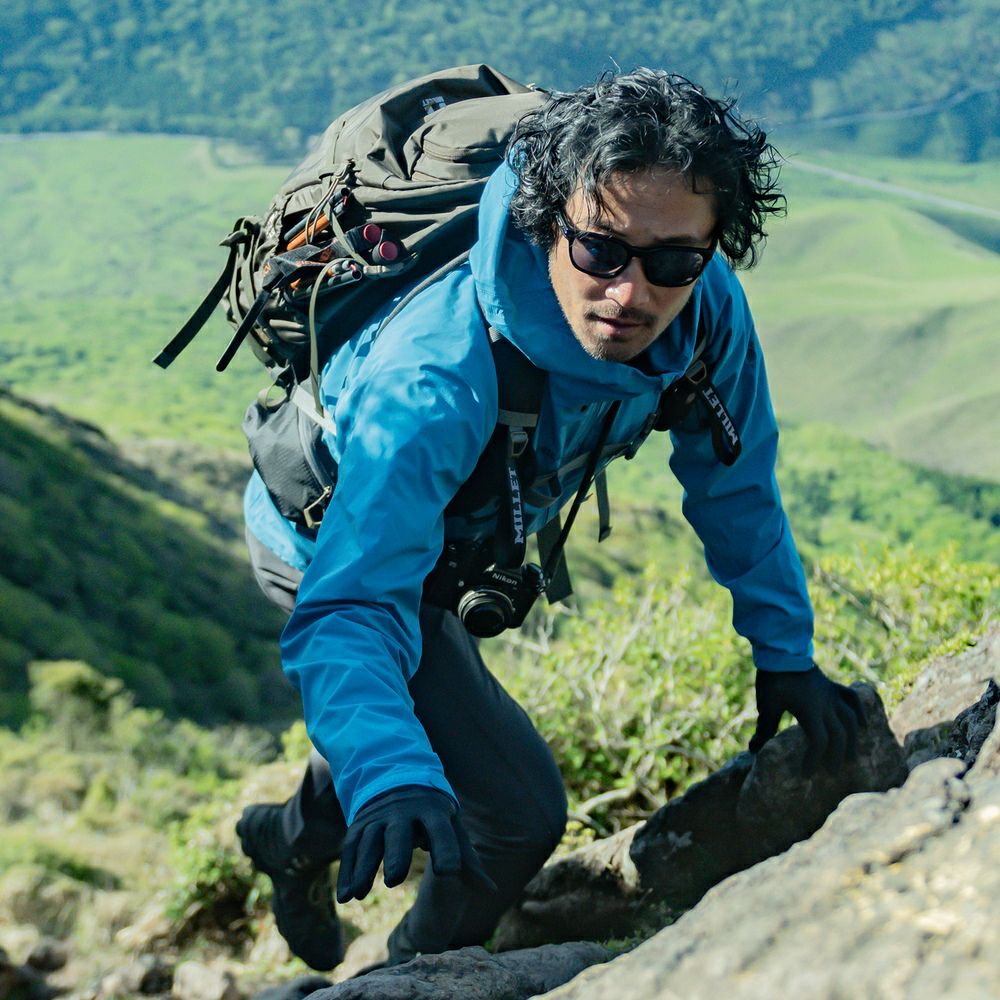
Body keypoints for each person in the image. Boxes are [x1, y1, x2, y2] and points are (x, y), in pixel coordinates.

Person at [236, 67, 864, 971]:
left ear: (709, 247)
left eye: (672, 260)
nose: (632, 294)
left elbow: (738, 487)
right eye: (601, 250)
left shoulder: (704, 313)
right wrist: (390, 773)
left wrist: (786, 652)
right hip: (326, 545)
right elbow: (355, 602)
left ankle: (290, 838)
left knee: (421, 714)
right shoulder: (435, 380)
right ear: (546, 221)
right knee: (518, 812)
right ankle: (406, 978)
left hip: (444, 549)